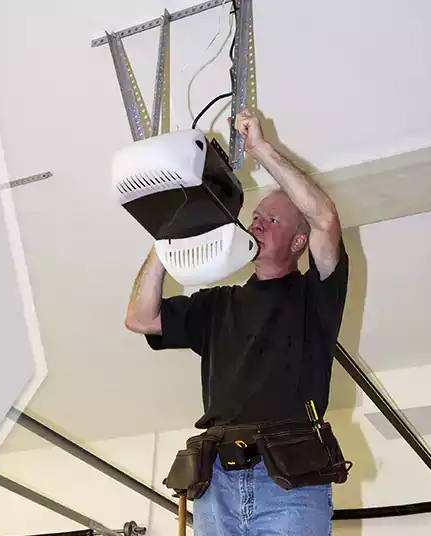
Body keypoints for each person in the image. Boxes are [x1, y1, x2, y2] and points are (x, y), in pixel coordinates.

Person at [124, 108, 349, 535]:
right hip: (216, 482)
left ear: (299, 242)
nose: (257, 223)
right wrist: (167, 236)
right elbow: (141, 318)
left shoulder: (316, 293)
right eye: (257, 216)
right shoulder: (217, 305)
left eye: (273, 220)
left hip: (290, 480)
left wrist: (260, 149)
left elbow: (324, 217)